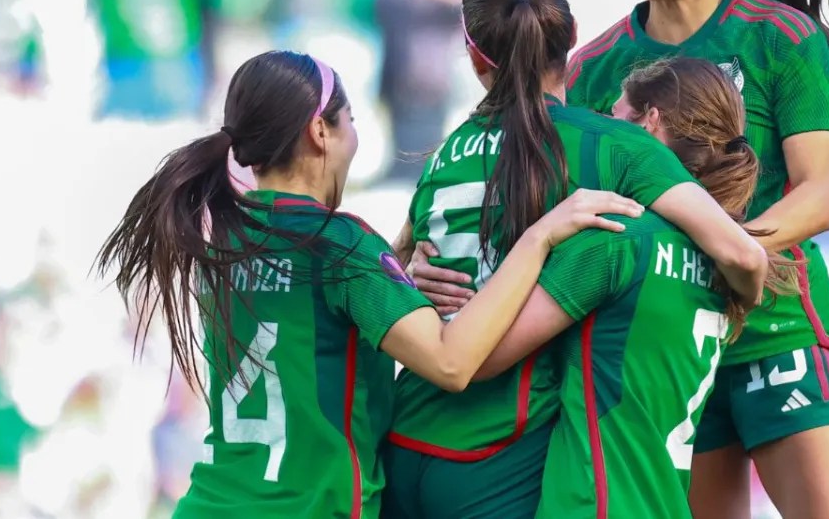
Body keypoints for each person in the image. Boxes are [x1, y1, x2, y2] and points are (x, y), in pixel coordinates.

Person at [93, 50, 642, 518]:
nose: (354, 138)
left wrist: (398, 276)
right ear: (319, 132)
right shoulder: (338, 244)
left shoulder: (224, 240)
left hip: (212, 502)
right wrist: (540, 237)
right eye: (350, 121)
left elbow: (306, 319)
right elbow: (451, 363)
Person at [384, 0, 770, 519]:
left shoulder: (445, 154)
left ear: (473, 55)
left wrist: (414, 277)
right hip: (500, 456)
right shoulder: (611, 146)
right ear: (571, 38)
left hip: (406, 437)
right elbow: (739, 251)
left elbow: (394, 266)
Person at [567, 0, 829, 518]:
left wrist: (715, 251)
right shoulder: (591, 68)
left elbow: (818, 198)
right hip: (672, 345)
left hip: (780, 326)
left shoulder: (780, 36)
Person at [469, 57, 792, 518]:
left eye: (615, 116)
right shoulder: (721, 270)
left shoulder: (616, 242)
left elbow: (478, 356)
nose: (604, 128)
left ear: (650, 123)